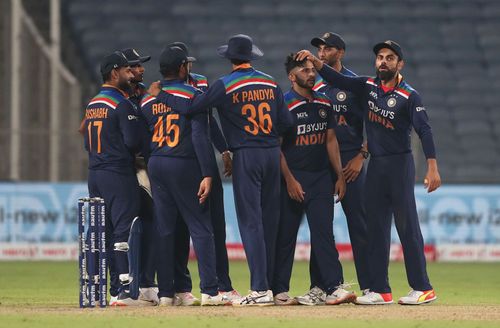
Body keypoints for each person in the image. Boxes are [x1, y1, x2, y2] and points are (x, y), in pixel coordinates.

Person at [148, 34, 293, 306]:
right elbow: (287, 123)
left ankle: (259, 288)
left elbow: (192, 108)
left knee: (251, 223)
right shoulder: (270, 82)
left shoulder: (224, 85)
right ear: (251, 56)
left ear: (229, 58)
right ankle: (273, 287)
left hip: (247, 156)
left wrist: (162, 95)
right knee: (271, 222)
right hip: (272, 153)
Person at [296, 40, 441, 305]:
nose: (383, 61)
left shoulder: (410, 95)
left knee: (407, 227)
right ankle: (379, 290)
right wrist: (317, 63)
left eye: (389, 58)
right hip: (376, 166)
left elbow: (425, 130)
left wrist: (432, 166)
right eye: (380, 57)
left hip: (399, 164)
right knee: (375, 229)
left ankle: (423, 287)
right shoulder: (367, 86)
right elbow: (337, 78)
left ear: (400, 64)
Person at [140, 46, 227, 306]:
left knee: (165, 229)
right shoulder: (194, 95)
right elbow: (200, 137)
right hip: (185, 163)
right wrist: (207, 173)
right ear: (182, 68)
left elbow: (145, 137)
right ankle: (210, 291)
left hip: (157, 162)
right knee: (201, 228)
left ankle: (166, 293)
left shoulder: (147, 100)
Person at [273, 54, 352, 306]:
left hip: (320, 179)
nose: (310, 73)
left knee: (323, 235)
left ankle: (332, 287)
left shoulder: (324, 103)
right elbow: (277, 147)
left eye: (311, 69)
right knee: (285, 237)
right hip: (292, 179)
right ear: (291, 76)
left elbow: (331, 141)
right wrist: (289, 180)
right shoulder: (283, 104)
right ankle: (278, 290)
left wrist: (339, 176)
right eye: (304, 70)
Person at [165, 42, 240, 306]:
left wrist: (225, 150)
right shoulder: (169, 90)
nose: (191, 68)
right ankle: (182, 287)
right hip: (187, 164)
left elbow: (209, 122)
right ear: (180, 66)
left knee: (214, 227)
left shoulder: (198, 84)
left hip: (201, 163)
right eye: (188, 63)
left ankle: (222, 285)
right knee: (182, 230)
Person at [310, 32, 370, 294]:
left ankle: (372, 287)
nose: (322, 52)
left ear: (341, 52)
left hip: (350, 160)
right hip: (321, 160)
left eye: (328, 48)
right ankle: (320, 286)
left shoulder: (355, 83)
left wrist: (361, 155)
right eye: (319, 49)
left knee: (359, 224)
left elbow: (377, 124)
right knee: (320, 224)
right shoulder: (313, 85)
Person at [83, 51, 143, 306]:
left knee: (101, 233)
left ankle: (101, 290)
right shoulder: (121, 103)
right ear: (114, 73)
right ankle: (124, 291)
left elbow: (87, 142)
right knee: (123, 230)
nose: (132, 75)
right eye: (127, 71)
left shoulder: (93, 103)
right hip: (118, 173)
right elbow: (133, 142)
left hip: (95, 173)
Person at [120, 48, 159, 305]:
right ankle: (134, 284)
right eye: (134, 66)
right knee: (134, 226)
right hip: (130, 169)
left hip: (147, 167)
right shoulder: (119, 97)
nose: (140, 69)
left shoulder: (142, 93)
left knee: (151, 223)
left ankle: (147, 283)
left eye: (141, 65)